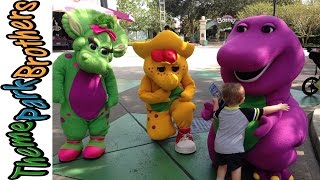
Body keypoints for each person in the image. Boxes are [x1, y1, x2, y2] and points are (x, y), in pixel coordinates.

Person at [213, 83, 289, 180]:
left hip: (219, 147)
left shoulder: (221, 111)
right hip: (234, 149)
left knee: (222, 166)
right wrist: (279, 107)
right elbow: (264, 111)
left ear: (223, 98)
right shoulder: (246, 113)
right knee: (236, 168)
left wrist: (215, 102)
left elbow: (214, 114)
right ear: (242, 100)